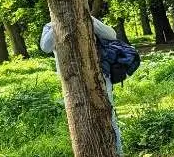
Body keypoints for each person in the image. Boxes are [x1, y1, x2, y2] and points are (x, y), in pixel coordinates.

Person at [40, 17, 122, 155]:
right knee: (81, 118)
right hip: (71, 80)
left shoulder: (87, 17)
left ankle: (117, 153)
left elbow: (111, 35)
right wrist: (59, 23)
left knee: (108, 115)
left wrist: (89, 20)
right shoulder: (49, 26)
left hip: (99, 76)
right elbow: (45, 47)